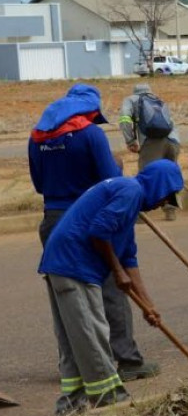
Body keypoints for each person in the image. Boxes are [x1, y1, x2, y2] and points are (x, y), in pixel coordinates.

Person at [28, 84, 160, 384]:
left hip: (52, 220)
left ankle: (75, 366)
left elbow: (38, 184)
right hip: (89, 219)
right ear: (90, 109)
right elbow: (109, 178)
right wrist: (118, 165)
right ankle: (127, 360)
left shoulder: (37, 137)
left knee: (66, 297)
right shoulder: (90, 134)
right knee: (114, 287)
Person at [39, 160, 184, 415]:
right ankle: (111, 401)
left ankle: (71, 408)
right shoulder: (130, 191)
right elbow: (99, 231)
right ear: (159, 187)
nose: (163, 204)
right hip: (73, 266)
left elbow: (129, 259)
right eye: (166, 198)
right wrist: (116, 272)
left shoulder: (130, 203)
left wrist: (148, 306)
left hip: (63, 265)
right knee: (91, 332)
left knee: (75, 341)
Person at [119, 84, 181, 220]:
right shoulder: (158, 100)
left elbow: (124, 119)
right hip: (174, 141)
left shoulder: (131, 99)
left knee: (146, 175)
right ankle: (170, 211)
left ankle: (142, 215)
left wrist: (130, 141)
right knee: (168, 175)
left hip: (153, 142)